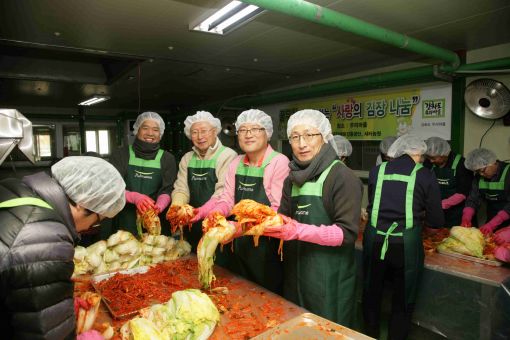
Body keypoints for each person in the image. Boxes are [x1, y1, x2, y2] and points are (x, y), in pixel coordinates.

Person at [0, 156, 125, 339]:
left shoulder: (14, 189)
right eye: (96, 221)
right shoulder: (46, 239)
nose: (88, 229)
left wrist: (52, 304)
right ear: (82, 203)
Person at [262, 109, 362, 326]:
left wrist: (298, 230)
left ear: (324, 137)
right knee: (296, 326)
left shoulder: (341, 176)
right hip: (296, 271)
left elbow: (346, 233)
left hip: (328, 276)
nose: (301, 143)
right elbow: (282, 220)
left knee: (327, 329)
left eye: (309, 135)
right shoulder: (292, 178)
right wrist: (251, 224)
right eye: (295, 137)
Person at [192, 109, 289, 293]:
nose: (248, 134)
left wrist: (240, 227)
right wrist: (217, 212)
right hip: (238, 246)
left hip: (266, 248)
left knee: (265, 299)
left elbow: (277, 211)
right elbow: (227, 199)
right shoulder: (236, 162)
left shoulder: (278, 162)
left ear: (267, 133)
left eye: (255, 129)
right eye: (243, 130)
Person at [363, 134, 444, 340]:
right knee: (402, 297)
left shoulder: (376, 171)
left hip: (375, 241)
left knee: (372, 291)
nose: (423, 159)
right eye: (422, 156)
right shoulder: (425, 175)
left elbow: (374, 206)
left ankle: (368, 334)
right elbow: (436, 220)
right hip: (404, 247)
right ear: (415, 153)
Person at [170, 111, 237, 252]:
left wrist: (202, 213)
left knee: (219, 267)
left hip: (218, 224)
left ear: (215, 132)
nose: (200, 137)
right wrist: (176, 206)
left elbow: (223, 192)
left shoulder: (227, 155)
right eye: (194, 132)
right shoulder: (187, 158)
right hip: (192, 224)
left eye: (204, 131)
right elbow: (181, 187)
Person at [110, 111, 177, 237]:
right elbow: (111, 188)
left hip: (156, 221)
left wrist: (160, 206)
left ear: (160, 134)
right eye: (145, 128)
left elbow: (167, 189)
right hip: (125, 220)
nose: (150, 133)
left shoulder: (168, 158)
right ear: (137, 130)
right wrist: (134, 197)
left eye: (155, 130)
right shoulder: (121, 154)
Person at [425, 136, 473, 227]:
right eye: (428, 157)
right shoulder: (429, 163)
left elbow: (463, 192)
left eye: (434, 158)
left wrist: (442, 204)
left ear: (444, 154)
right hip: (435, 211)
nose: (431, 161)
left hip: (456, 213)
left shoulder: (461, 164)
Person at [462, 148, 510, 235]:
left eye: (483, 171)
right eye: (477, 171)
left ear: (493, 162)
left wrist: (493, 224)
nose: (481, 174)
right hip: (491, 220)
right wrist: (467, 215)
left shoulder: (508, 172)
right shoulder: (479, 177)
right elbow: (473, 198)